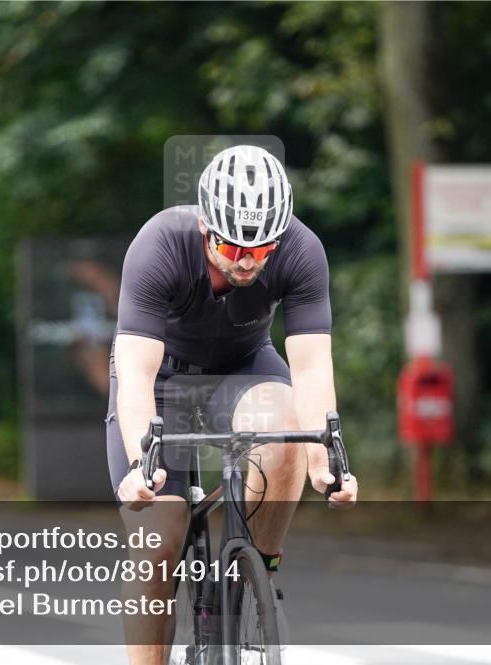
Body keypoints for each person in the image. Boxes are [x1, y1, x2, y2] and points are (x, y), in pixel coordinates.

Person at [105, 144, 358, 665]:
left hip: (244, 367)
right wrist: (138, 463)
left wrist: (323, 462)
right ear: (204, 224)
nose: (246, 260)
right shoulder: (159, 246)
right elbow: (135, 373)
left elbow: (310, 367)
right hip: (164, 378)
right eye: (231, 245)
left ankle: (256, 573)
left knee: (285, 433)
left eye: (261, 250)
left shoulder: (301, 249)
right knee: (158, 546)